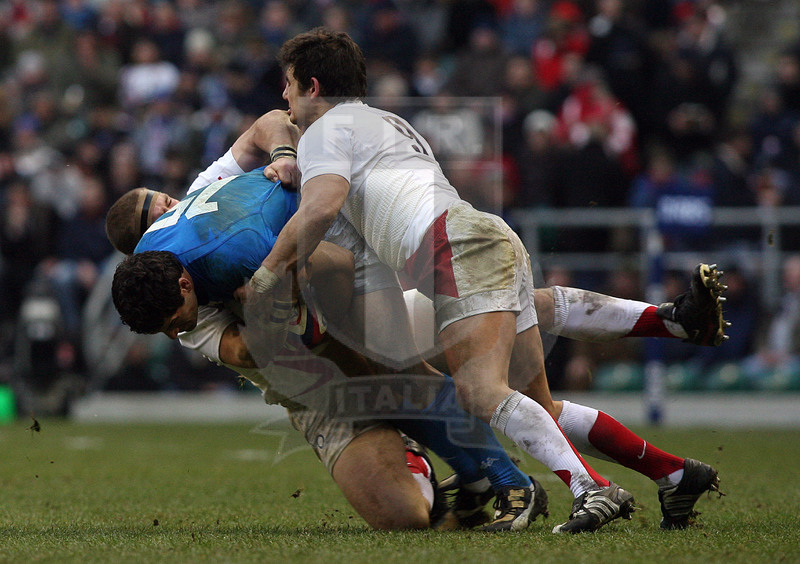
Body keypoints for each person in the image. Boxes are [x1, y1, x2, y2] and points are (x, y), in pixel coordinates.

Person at [108, 108, 726, 532]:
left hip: (367, 313)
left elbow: (275, 133)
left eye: (161, 198)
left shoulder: (202, 202)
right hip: (317, 391)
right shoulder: (175, 305)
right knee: (406, 514)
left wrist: (285, 159)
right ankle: (666, 466)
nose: (168, 201)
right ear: (149, 256)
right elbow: (249, 352)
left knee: (500, 350)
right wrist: (277, 298)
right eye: (154, 210)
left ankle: (666, 328)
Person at [238, 28, 725, 532]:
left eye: (289, 84)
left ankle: (593, 489)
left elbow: (320, 207)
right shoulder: (386, 122)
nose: (284, 95)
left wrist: (269, 273)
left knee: (478, 391)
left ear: (313, 86)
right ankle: (672, 472)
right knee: (537, 406)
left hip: (454, 246)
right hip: (481, 235)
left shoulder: (325, 130)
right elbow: (365, 243)